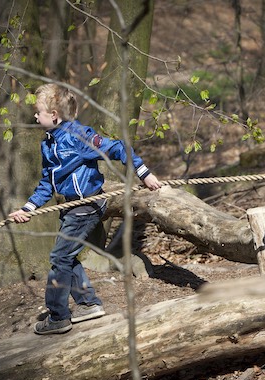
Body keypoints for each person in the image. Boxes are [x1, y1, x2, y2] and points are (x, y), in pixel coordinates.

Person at [9, 83, 162, 335]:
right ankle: (88, 303)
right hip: (71, 208)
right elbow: (47, 182)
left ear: (55, 115)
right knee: (67, 256)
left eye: (39, 112)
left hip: (87, 206)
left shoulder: (78, 137)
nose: (35, 116)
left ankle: (58, 317)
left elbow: (117, 147)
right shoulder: (48, 144)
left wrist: (142, 173)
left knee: (59, 257)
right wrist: (28, 208)